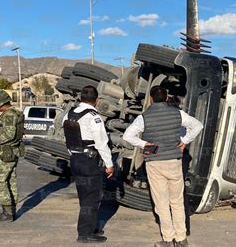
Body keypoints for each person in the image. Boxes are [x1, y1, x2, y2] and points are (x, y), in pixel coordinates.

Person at [123, 86, 203, 247]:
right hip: (174, 161)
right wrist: (184, 141)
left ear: (151, 99)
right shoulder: (177, 113)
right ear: (166, 98)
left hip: (154, 162)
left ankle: (167, 238)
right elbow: (198, 125)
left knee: (161, 202)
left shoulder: (143, 117)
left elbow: (127, 136)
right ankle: (181, 239)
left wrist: (144, 144)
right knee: (177, 201)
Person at [63, 85, 114, 243]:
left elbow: (68, 138)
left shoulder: (69, 115)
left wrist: (74, 154)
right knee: (91, 198)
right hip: (89, 161)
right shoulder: (94, 117)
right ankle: (85, 233)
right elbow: (101, 143)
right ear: (96, 100)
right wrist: (109, 164)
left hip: (75, 159)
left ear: (80, 99)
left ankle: (90, 227)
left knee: (84, 196)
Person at [0, 90, 25, 222]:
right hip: (12, 151)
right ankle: (10, 211)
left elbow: (9, 135)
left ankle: (7, 213)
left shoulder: (9, 115)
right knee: (10, 181)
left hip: (4, 153)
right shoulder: (15, 113)